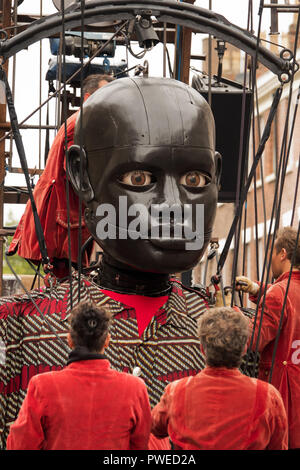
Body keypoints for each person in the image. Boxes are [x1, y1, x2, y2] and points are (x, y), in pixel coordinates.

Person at [0, 76, 254, 450]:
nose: (173, 206)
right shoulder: (18, 329)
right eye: (140, 178)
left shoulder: (225, 337)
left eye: (195, 178)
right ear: (82, 176)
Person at [7, 74, 114, 278]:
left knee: (65, 282)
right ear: (88, 98)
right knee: (64, 283)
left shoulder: (80, 123)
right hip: (61, 217)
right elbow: (77, 171)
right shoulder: (81, 126)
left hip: (65, 215)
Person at [6, 301, 151, 450]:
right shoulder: (135, 388)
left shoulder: (42, 385)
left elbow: (20, 444)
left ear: (69, 340)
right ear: (107, 341)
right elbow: (141, 444)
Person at [151, 306, 288, 450]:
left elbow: (155, 428)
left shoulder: (176, 391)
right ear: (244, 349)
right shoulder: (268, 395)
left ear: (202, 349)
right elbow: (278, 445)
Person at [235, 226, 300, 450]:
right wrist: (258, 289)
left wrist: (230, 313)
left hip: (283, 398)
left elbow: (252, 339)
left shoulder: (279, 293)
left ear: (282, 254)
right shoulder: (282, 291)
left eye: (272, 252)